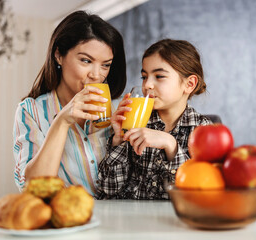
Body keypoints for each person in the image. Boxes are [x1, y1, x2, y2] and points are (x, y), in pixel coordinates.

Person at [13, 11, 126, 198]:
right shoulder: (31, 110)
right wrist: (62, 121)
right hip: (67, 220)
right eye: (86, 61)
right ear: (58, 55)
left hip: (117, 220)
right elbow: (32, 189)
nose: (96, 74)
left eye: (105, 65)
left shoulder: (115, 109)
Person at [97, 39, 213, 199]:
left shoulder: (204, 130)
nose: (147, 85)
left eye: (159, 76)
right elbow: (109, 188)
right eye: (144, 77)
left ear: (189, 84)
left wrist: (171, 145)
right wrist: (118, 139)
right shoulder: (135, 121)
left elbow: (199, 195)